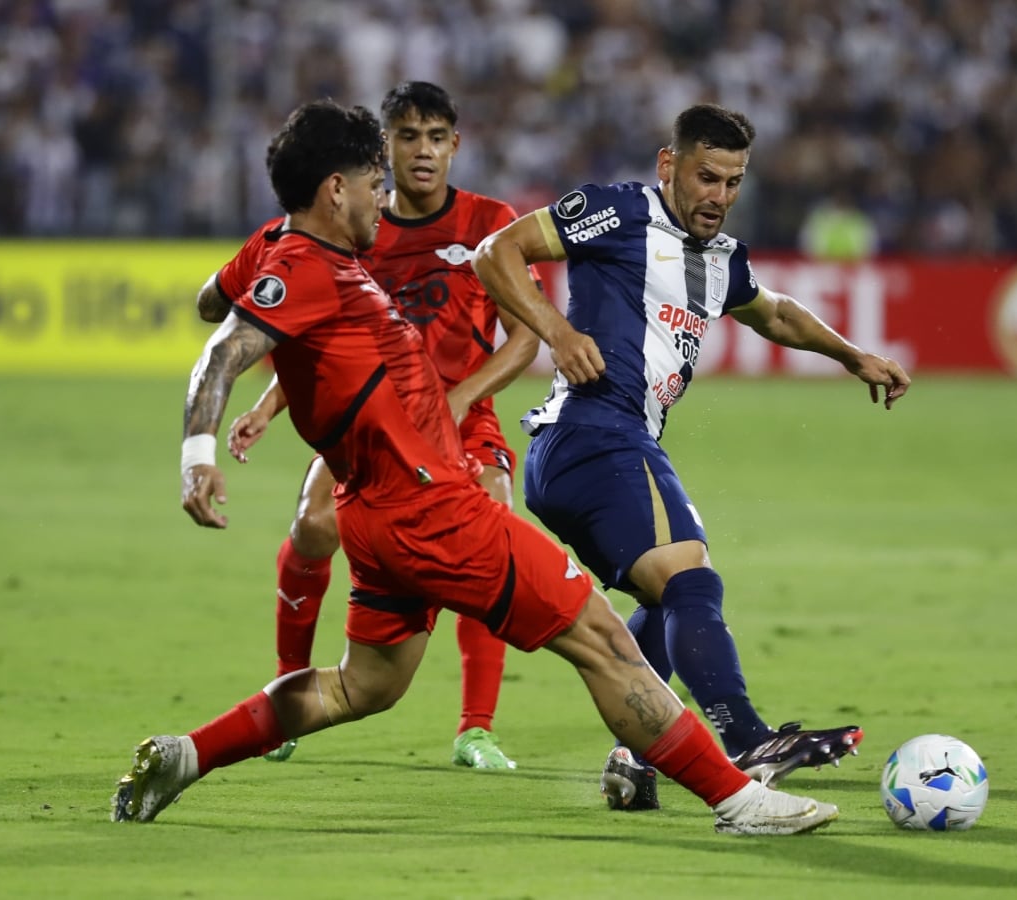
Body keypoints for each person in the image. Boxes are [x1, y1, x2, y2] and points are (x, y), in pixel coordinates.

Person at [112, 99, 840, 836]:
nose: (383, 200)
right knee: (605, 641)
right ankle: (739, 800)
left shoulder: (280, 248)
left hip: (374, 517)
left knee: (361, 687)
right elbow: (223, 349)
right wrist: (197, 456)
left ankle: (187, 754)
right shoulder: (307, 266)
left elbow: (214, 301)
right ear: (335, 190)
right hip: (432, 509)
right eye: (371, 183)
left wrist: (257, 259)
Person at [472, 103, 911, 810]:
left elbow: (775, 312)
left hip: (599, 448)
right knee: (692, 582)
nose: (720, 197)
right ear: (668, 165)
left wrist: (852, 355)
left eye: (735, 182)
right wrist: (554, 330)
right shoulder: (616, 212)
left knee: (668, 597)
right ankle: (742, 737)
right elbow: (498, 251)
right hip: (592, 431)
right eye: (707, 177)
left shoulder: (721, 260)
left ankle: (636, 752)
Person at [197, 82, 539, 770]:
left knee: (495, 528)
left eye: (436, 137)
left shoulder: (488, 223)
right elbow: (321, 338)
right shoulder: (357, 228)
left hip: (464, 416)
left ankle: (476, 728)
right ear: (383, 149)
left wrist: (461, 398)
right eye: (407, 137)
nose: (422, 151)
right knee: (311, 524)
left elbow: (527, 337)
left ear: (455, 147)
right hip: (378, 423)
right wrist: (269, 405)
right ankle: (289, 683)